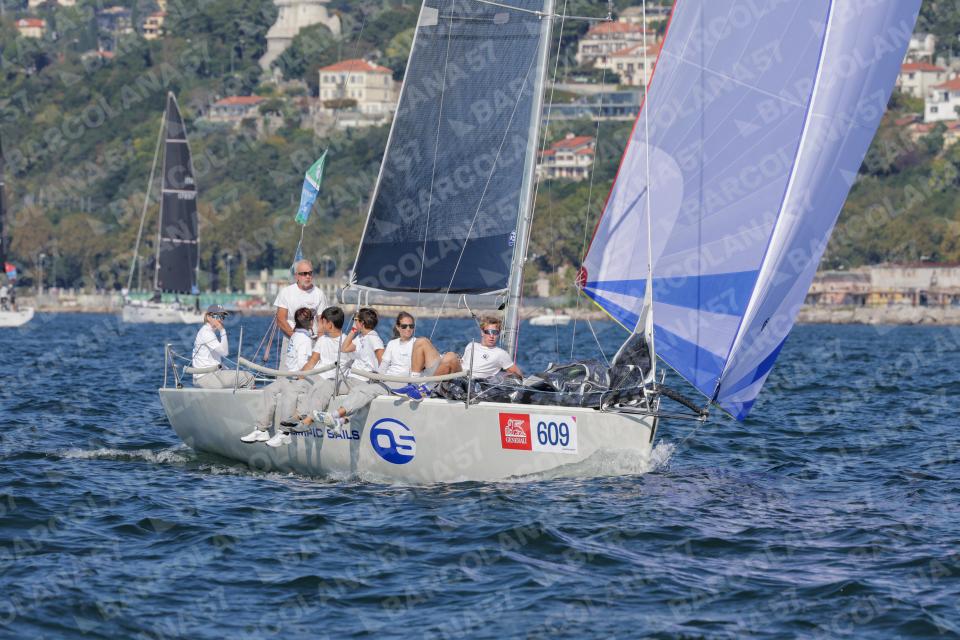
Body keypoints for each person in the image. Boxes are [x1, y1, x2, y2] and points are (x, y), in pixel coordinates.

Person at [267, 306, 355, 446]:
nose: (318, 324)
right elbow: (312, 362)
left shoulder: (347, 343)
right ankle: (284, 431)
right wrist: (299, 378)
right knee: (293, 387)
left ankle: (300, 417)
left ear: (329, 324)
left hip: (333, 381)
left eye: (321, 321)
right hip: (316, 376)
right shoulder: (322, 340)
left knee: (317, 386)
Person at [240, 307, 315, 444]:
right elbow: (302, 363)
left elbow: (303, 367)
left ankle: (284, 432)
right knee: (269, 390)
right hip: (290, 376)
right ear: (311, 322)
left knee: (288, 393)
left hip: (297, 378)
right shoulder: (301, 337)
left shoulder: (298, 337)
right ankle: (262, 430)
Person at [311, 308, 387, 428]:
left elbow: (382, 362)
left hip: (363, 380)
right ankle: (316, 415)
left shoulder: (374, 338)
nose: (353, 322)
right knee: (328, 383)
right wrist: (353, 331)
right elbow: (344, 348)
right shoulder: (361, 337)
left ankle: (335, 417)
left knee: (354, 392)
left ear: (362, 323)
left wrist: (377, 378)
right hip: (351, 379)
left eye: (355, 320)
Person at [376, 311, 458, 399]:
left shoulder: (418, 343)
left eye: (411, 326)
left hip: (411, 379)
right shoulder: (392, 343)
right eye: (404, 326)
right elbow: (383, 366)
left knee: (425, 342)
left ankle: (413, 385)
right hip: (393, 379)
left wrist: (449, 358)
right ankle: (414, 386)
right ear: (398, 327)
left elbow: (433, 359)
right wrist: (377, 379)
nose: (408, 329)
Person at [435, 315, 522, 379]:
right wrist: (457, 360)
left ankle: (430, 386)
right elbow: (463, 363)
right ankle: (429, 384)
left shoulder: (501, 354)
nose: (492, 336)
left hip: (470, 383)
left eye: (495, 333)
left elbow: (518, 375)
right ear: (482, 333)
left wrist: (502, 377)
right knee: (427, 344)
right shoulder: (471, 345)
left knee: (450, 355)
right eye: (488, 332)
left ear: (499, 334)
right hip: (459, 375)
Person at [191, 305, 255, 389]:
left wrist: (225, 368)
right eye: (217, 316)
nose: (220, 319)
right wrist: (222, 331)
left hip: (205, 377)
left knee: (237, 376)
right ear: (208, 317)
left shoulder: (207, 331)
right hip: (206, 378)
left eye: (222, 316)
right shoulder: (207, 333)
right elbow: (225, 353)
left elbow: (212, 359)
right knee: (248, 377)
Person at [274, 259, 327, 341]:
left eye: (310, 273)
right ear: (296, 276)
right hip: (290, 338)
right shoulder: (286, 292)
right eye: (304, 274)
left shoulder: (319, 294)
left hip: (313, 340)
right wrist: (296, 338)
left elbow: (322, 321)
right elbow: (280, 319)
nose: (308, 276)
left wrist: (320, 341)